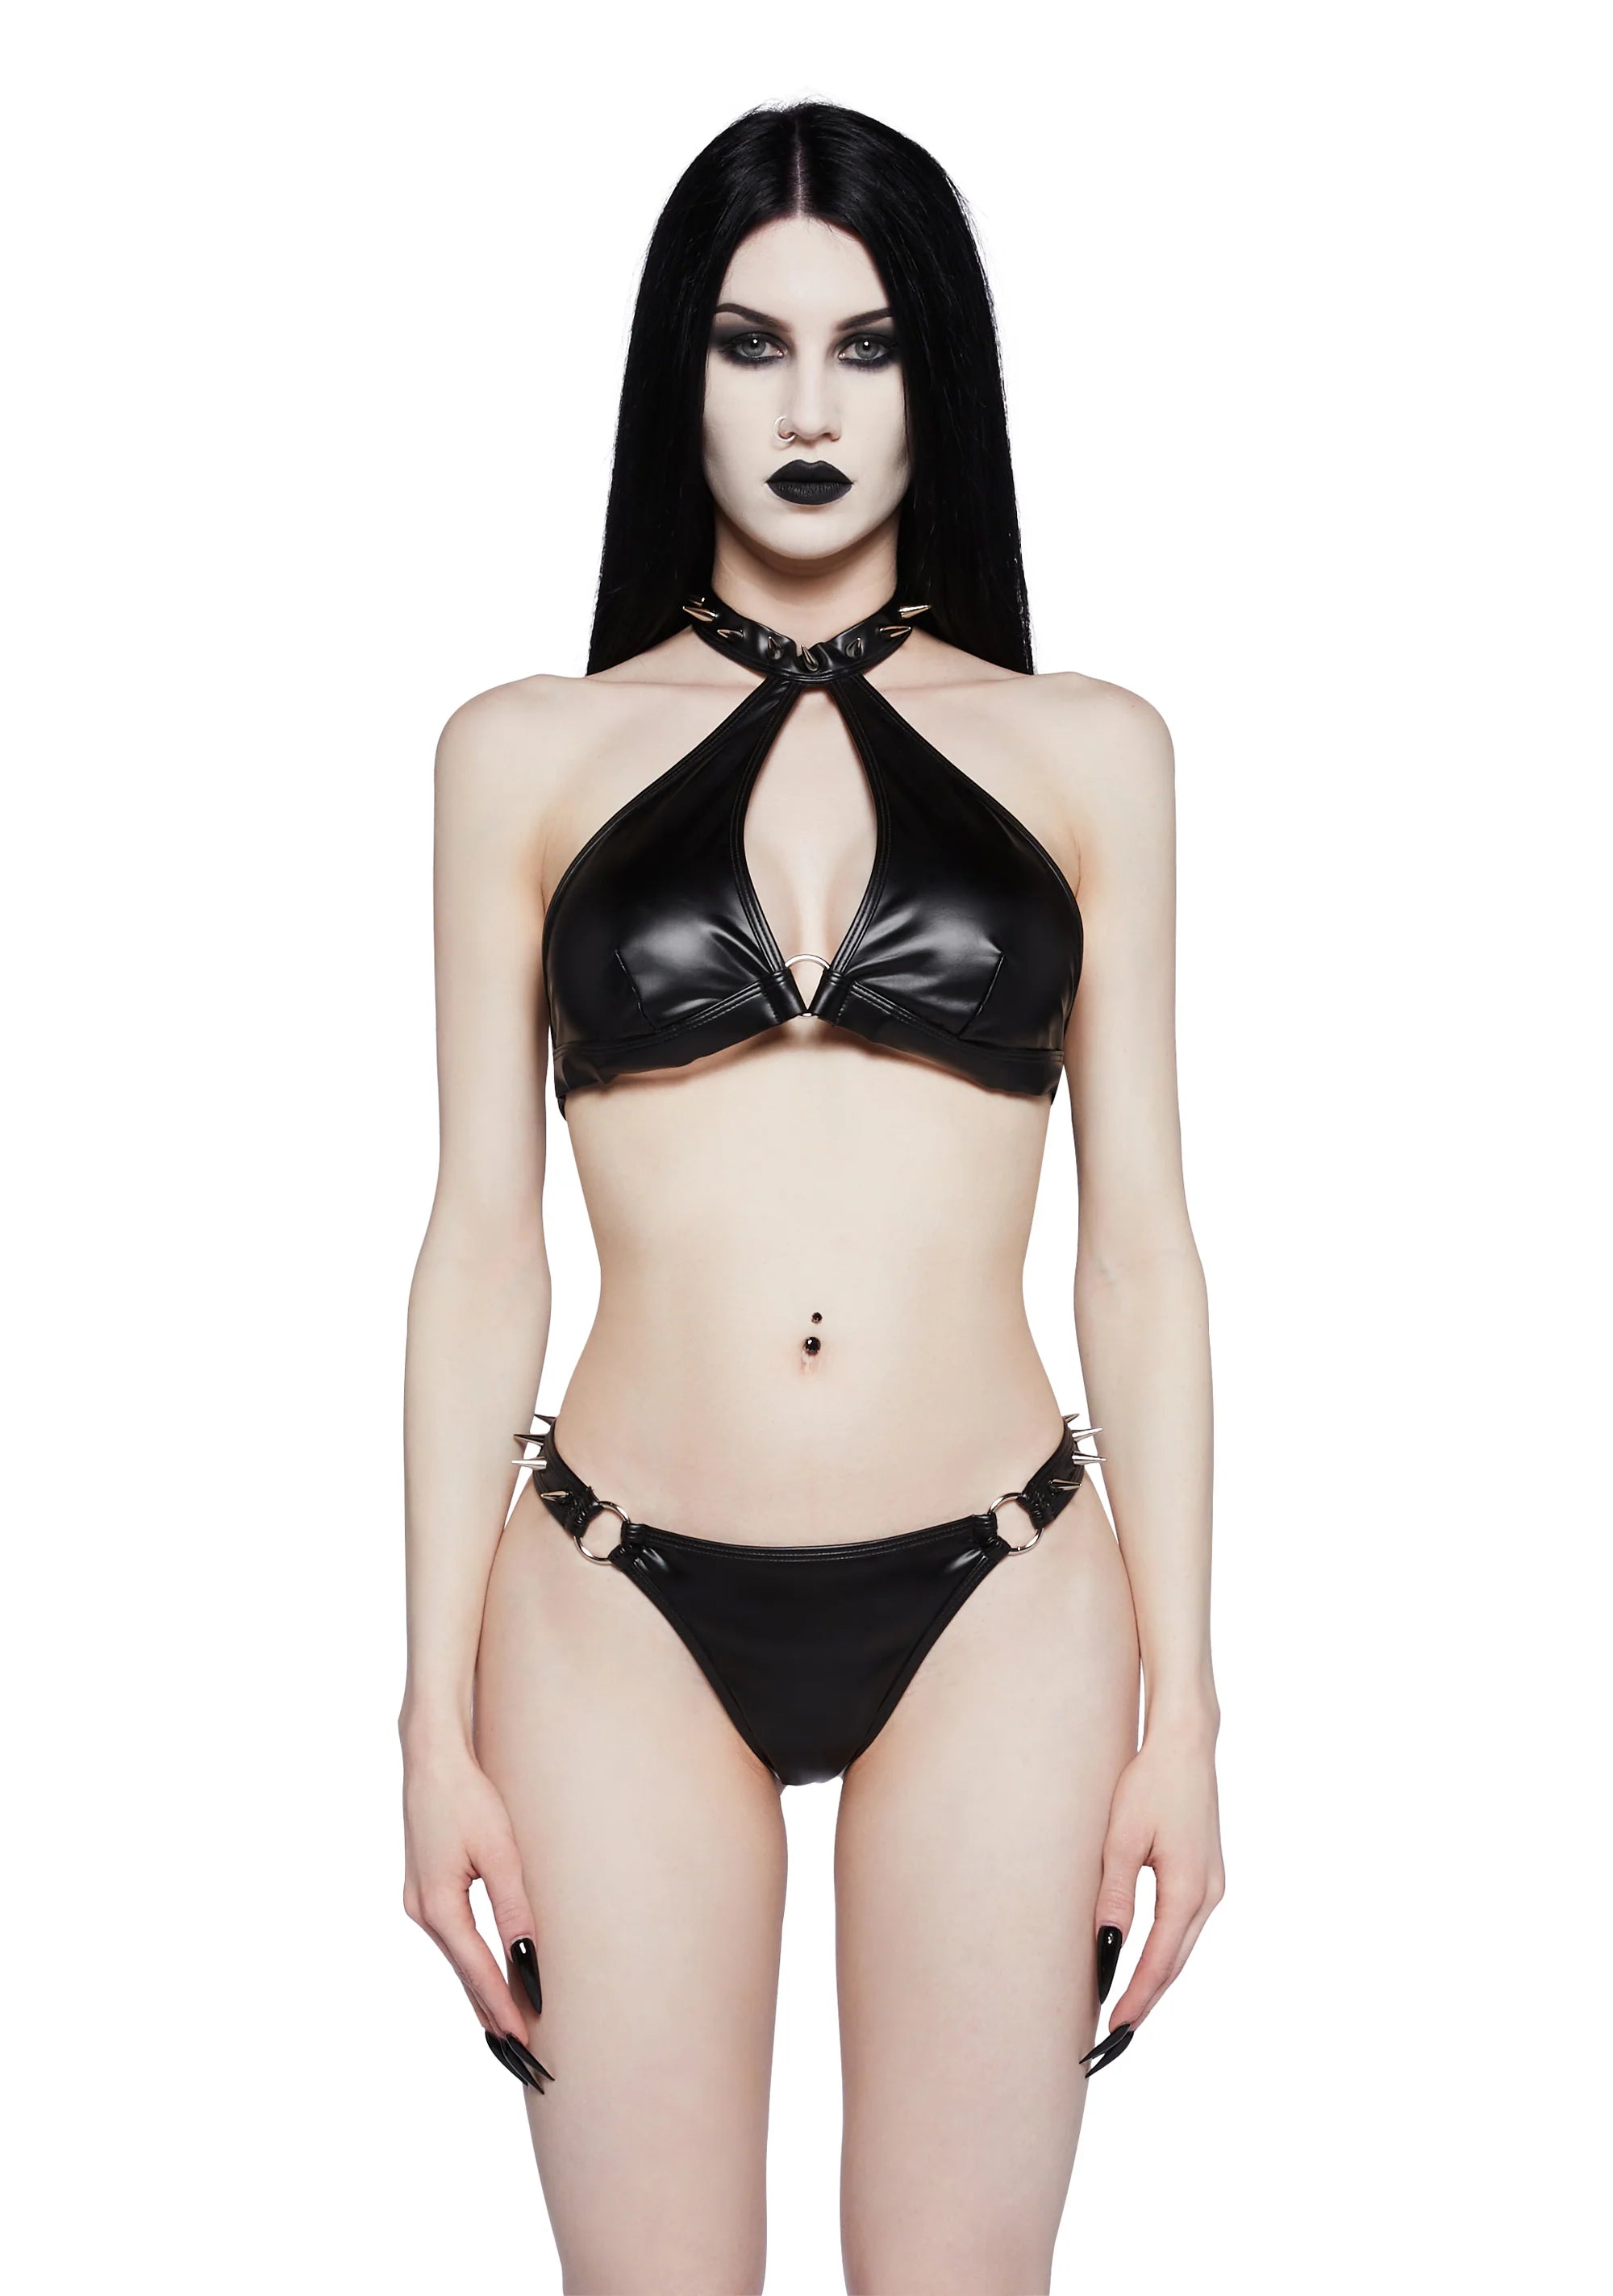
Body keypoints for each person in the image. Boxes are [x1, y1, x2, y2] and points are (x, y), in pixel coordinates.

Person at [400, 98, 1223, 2295]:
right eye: (751, 344)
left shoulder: (1091, 752)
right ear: (678, 373)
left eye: (865, 348)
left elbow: (1141, 1252)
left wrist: (1192, 1708)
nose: (807, 411)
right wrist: (425, 1712)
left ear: (935, 376)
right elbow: (479, 1244)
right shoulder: (521, 755)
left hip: (1003, 1592)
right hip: (611, 1598)